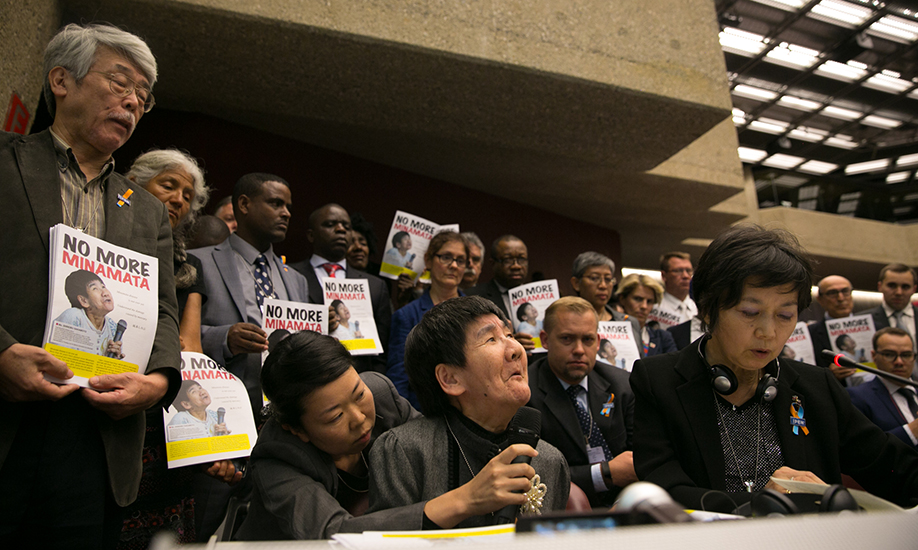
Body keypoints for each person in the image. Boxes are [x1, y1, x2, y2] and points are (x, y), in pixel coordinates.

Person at [0, 23, 181, 548]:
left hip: (98, 439)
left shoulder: (145, 209)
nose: (131, 103)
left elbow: (165, 311)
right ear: (62, 80)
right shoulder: (6, 164)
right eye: (120, 84)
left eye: (142, 98)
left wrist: (160, 383)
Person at [631, 225, 918, 513]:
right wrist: (761, 503)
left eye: (784, 315)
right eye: (750, 313)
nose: (768, 332)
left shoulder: (815, 386)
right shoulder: (658, 381)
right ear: (707, 308)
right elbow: (665, 492)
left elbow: (895, 470)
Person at [236, 331, 549, 540]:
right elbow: (335, 534)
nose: (360, 419)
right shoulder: (277, 458)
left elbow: (436, 445)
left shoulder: (381, 394)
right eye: (335, 417)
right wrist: (466, 499)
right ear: (296, 428)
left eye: (358, 394)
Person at [369, 296, 570, 527]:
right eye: (491, 339)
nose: (516, 349)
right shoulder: (405, 452)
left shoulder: (550, 460)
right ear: (450, 378)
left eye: (510, 335)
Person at [190, 172, 309, 415]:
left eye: (288, 206)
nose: (286, 213)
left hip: (288, 407)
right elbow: (173, 333)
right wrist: (224, 338)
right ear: (244, 204)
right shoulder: (199, 262)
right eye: (276, 203)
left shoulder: (298, 280)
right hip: (222, 404)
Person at [527, 297, 637, 507]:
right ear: (546, 339)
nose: (579, 349)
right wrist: (602, 474)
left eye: (587, 340)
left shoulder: (622, 385)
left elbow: (641, 458)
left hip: (624, 504)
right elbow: (533, 475)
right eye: (567, 339)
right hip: (559, 510)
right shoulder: (526, 393)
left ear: (597, 342)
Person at [290, 203, 391, 373]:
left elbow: (381, 354)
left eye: (347, 226)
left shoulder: (374, 286)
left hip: (359, 380)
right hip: (306, 375)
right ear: (311, 235)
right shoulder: (289, 275)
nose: (341, 229)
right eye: (330, 224)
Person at [387, 231, 469, 409]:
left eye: (460, 260)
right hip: (426, 413)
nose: (453, 265)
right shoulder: (406, 316)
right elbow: (399, 378)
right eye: (446, 257)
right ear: (428, 260)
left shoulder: (478, 313)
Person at [848, 328, 918, 451]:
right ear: (874, 356)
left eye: (906, 355)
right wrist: (912, 431)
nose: (899, 362)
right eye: (889, 354)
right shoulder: (857, 397)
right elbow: (863, 451)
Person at [467, 235, 536, 353]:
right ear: (493, 263)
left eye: (522, 259)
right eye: (508, 260)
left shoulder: (542, 298)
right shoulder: (474, 297)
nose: (516, 266)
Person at [570, 251, 642, 349]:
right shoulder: (563, 320)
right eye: (595, 278)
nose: (603, 286)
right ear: (576, 283)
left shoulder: (629, 323)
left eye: (608, 279)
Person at [54, 270, 123, 358]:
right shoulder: (73, 317)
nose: (105, 293)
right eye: (95, 288)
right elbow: (56, 357)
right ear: (84, 300)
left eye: (103, 286)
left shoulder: (114, 328)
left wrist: (115, 359)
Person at [807, 275, 857, 379]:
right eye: (832, 293)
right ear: (820, 299)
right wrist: (828, 375)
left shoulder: (875, 327)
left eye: (845, 291)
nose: (840, 298)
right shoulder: (810, 334)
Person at [615, 273, 677, 357]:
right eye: (638, 299)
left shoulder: (663, 338)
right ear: (622, 299)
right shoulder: (608, 333)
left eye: (649, 301)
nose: (644, 306)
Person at [861, 264, 918, 350]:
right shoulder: (861, 321)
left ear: (914, 289)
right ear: (880, 286)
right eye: (892, 286)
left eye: (905, 287)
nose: (899, 292)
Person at [647, 252, 697, 330]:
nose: (685, 276)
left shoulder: (698, 307)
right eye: (678, 271)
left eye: (688, 271)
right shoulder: (653, 307)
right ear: (664, 276)